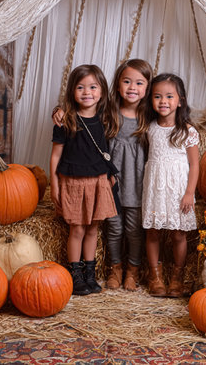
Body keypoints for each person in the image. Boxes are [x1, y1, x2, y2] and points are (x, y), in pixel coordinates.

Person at [53, 59, 153, 292]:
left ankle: (133, 271)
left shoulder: (149, 116)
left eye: (139, 83)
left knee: (134, 230)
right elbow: (80, 109)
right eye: (126, 81)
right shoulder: (109, 112)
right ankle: (114, 269)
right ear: (116, 86)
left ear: (147, 88)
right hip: (108, 181)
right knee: (114, 229)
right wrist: (58, 110)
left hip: (136, 183)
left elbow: (171, 112)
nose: (131, 87)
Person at [50, 64, 118, 296]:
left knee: (93, 229)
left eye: (92, 87)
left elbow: (105, 150)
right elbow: (56, 155)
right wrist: (55, 184)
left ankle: (91, 273)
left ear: (102, 91)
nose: (87, 92)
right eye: (80, 87)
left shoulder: (105, 119)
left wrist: (109, 177)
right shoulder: (65, 120)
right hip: (73, 182)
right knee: (77, 230)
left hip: (98, 181)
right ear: (72, 91)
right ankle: (75, 274)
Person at [141, 73, 200, 298]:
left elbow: (194, 165)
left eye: (169, 96)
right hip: (155, 189)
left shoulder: (188, 131)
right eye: (157, 96)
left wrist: (189, 194)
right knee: (153, 232)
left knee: (178, 234)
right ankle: (154, 276)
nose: (163, 101)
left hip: (178, 191)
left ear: (180, 100)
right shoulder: (150, 128)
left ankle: (177, 276)